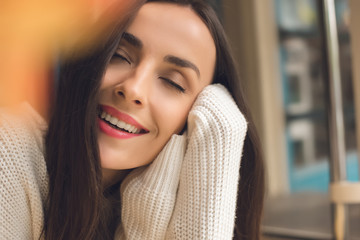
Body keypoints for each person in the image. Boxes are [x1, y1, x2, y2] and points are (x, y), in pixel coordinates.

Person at [0, 0, 264, 239]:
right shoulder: (10, 148)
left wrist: (220, 135)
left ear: (194, 116)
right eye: (119, 56)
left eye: (172, 82)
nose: (133, 89)